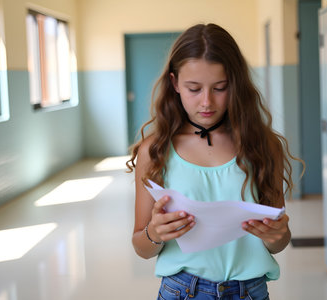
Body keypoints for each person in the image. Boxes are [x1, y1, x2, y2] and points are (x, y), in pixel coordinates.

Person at [127, 23, 300, 300]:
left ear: (236, 84)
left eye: (220, 88)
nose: (206, 102)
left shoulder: (264, 147)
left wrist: (278, 235)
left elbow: (278, 243)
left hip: (250, 291)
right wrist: (155, 232)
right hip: (181, 291)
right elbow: (141, 246)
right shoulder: (155, 151)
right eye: (194, 89)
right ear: (174, 83)